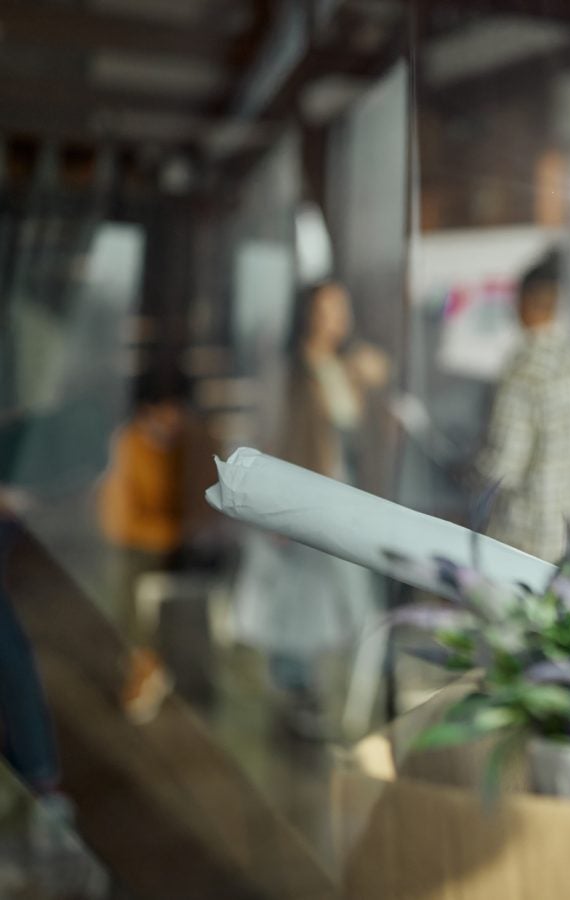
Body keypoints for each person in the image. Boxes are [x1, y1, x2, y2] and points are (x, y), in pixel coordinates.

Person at [233, 279, 389, 739]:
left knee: (348, 596)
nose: (336, 319)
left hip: (345, 491)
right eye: (328, 309)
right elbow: (272, 436)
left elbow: (363, 431)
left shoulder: (346, 367)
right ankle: (301, 691)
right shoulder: (290, 372)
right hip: (305, 493)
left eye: (342, 309)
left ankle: (349, 692)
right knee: (299, 595)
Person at [97, 368, 218, 721]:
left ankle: (161, 663)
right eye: (166, 410)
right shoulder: (128, 445)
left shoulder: (198, 440)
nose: (174, 420)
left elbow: (213, 501)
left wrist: (186, 529)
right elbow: (116, 523)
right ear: (147, 411)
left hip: (193, 543)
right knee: (131, 574)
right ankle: (145, 662)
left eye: (178, 410)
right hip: (152, 543)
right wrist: (173, 531)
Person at [475, 250, 570, 562]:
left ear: (522, 303)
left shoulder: (522, 372)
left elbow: (502, 470)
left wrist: (470, 472)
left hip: (526, 546)